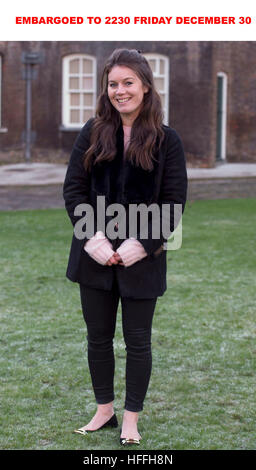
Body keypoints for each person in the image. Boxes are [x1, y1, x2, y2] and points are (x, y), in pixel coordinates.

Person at [63, 48, 187, 445]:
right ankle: (104, 411)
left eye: (128, 82)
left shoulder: (168, 140)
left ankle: (131, 417)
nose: (120, 91)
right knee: (97, 338)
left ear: (146, 86)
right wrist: (92, 239)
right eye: (113, 84)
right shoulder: (92, 131)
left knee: (138, 341)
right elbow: (74, 190)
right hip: (94, 257)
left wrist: (143, 244)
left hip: (142, 261)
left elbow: (173, 201)